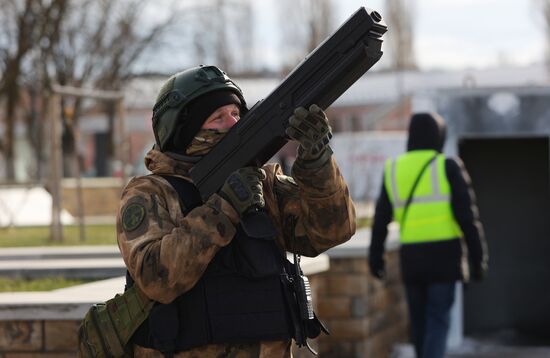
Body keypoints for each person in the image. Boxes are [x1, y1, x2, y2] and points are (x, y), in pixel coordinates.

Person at [116, 65, 356, 357]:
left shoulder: (262, 182)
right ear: (184, 131)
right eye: (218, 117)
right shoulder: (151, 193)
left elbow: (331, 231)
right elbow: (156, 279)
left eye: (235, 114)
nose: (233, 124)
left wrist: (318, 166)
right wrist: (223, 209)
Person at [368, 112, 488, 358]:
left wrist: (375, 257)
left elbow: (380, 219)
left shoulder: (393, 169)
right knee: (438, 321)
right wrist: (478, 259)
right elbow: (468, 218)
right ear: (438, 135)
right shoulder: (448, 165)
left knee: (420, 324)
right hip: (445, 256)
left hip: (412, 257)